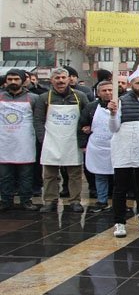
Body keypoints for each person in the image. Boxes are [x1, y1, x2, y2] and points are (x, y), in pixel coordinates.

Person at [108, 68, 139, 238]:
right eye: (138, 83)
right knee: (120, 188)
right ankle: (119, 222)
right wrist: (113, 114)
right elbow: (113, 128)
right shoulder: (120, 101)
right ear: (131, 84)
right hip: (124, 149)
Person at [34, 67, 88, 213]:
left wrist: (84, 134)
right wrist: (43, 139)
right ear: (52, 80)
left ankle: (75, 201)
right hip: (51, 140)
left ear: (69, 79)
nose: (60, 81)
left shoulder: (80, 96)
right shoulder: (44, 98)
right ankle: (50, 201)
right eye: (57, 78)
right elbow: (38, 120)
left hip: (73, 141)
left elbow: (86, 117)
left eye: (63, 78)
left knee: (75, 174)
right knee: (50, 174)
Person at [0, 69, 39, 211]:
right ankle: (5, 201)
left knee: (26, 176)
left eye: (16, 79)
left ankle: (26, 200)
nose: (13, 82)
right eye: (10, 79)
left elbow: (39, 119)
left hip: (25, 143)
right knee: (4, 176)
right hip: (4, 143)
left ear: (23, 80)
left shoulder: (34, 98)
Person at [79, 81, 115, 213]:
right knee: (100, 175)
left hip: (116, 147)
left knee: (118, 176)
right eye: (104, 90)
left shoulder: (122, 105)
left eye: (110, 90)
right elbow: (82, 125)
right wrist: (83, 144)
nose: (107, 93)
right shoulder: (90, 107)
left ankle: (118, 202)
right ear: (98, 93)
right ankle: (102, 200)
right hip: (98, 147)